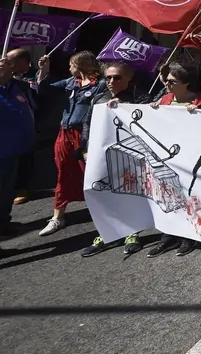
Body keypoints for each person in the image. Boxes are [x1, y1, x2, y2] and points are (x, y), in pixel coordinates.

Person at [35, 51, 106, 237]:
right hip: (64, 134)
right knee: (63, 172)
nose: (69, 68)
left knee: (91, 173)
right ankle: (58, 217)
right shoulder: (70, 82)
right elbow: (44, 89)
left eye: (71, 65)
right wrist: (44, 70)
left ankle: (106, 215)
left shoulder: (100, 85)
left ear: (81, 65)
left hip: (85, 136)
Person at [145, 63, 201, 258]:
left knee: (188, 197)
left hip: (190, 158)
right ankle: (168, 236)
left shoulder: (200, 103)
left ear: (186, 83)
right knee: (168, 196)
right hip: (167, 158)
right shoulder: (164, 100)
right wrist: (152, 109)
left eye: (172, 81)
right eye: (166, 81)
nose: (167, 84)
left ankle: (188, 237)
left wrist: (198, 114)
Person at [81, 62, 144, 257]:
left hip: (130, 155)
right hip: (100, 155)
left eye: (116, 77)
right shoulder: (98, 98)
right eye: (107, 77)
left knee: (130, 192)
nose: (111, 81)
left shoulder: (139, 97)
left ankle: (132, 232)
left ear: (128, 78)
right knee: (101, 193)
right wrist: (85, 150)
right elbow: (87, 124)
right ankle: (106, 233)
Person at [0, 55, 35, 241]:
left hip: (14, 150)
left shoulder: (16, 86)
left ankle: (3, 223)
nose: (6, 66)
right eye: (4, 64)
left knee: (6, 191)